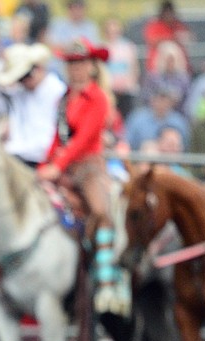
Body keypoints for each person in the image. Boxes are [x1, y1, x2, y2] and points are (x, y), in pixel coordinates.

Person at [38, 39, 126, 317]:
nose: (75, 69)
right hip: (65, 167)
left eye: (80, 63)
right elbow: (58, 137)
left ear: (91, 66)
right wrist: (45, 164)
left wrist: (57, 165)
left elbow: (86, 138)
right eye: (71, 63)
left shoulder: (98, 97)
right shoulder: (64, 97)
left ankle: (107, 279)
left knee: (101, 212)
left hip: (89, 167)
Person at [0, 42, 66, 167]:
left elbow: (47, 140)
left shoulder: (57, 92)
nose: (23, 82)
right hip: (15, 159)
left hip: (41, 162)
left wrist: (13, 149)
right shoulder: (19, 94)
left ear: (38, 68)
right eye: (19, 79)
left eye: (25, 76)